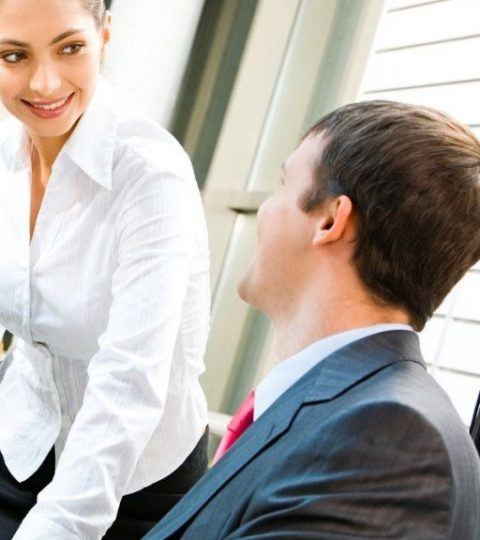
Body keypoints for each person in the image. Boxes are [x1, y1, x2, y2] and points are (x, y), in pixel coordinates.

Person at [144, 101, 480, 539]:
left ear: (329, 220)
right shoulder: (342, 409)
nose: (265, 209)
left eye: (283, 184)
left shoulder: (385, 436)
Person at [0, 0, 211, 538]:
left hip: (137, 478)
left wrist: (58, 527)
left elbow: (130, 380)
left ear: (105, 37)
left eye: (70, 48)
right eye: (14, 55)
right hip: (16, 436)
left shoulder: (151, 175)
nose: (45, 83)